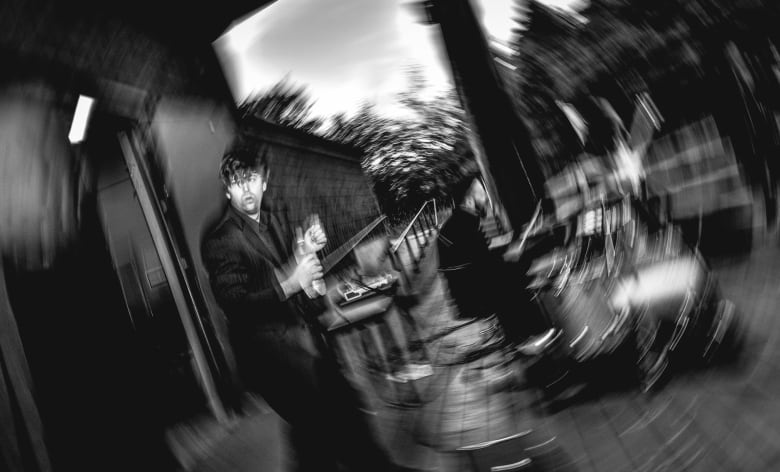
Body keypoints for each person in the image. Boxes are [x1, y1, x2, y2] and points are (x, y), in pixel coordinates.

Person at [201, 140, 406, 472]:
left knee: (318, 433)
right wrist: (290, 283)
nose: (246, 189)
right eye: (236, 183)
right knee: (331, 417)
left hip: (305, 345)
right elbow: (236, 305)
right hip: (270, 359)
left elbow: (300, 278)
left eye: (250, 178)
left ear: (263, 182)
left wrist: (308, 258)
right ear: (227, 191)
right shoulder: (220, 240)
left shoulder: (275, 221)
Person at [437, 170, 556, 355]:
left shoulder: (460, 222)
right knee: (514, 274)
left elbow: (480, 256)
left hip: (466, 290)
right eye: (482, 195)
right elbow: (484, 267)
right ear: (469, 201)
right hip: (472, 296)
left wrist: (512, 244)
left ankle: (522, 336)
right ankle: (527, 338)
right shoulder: (463, 227)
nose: (487, 199)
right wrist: (514, 258)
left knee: (516, 268)